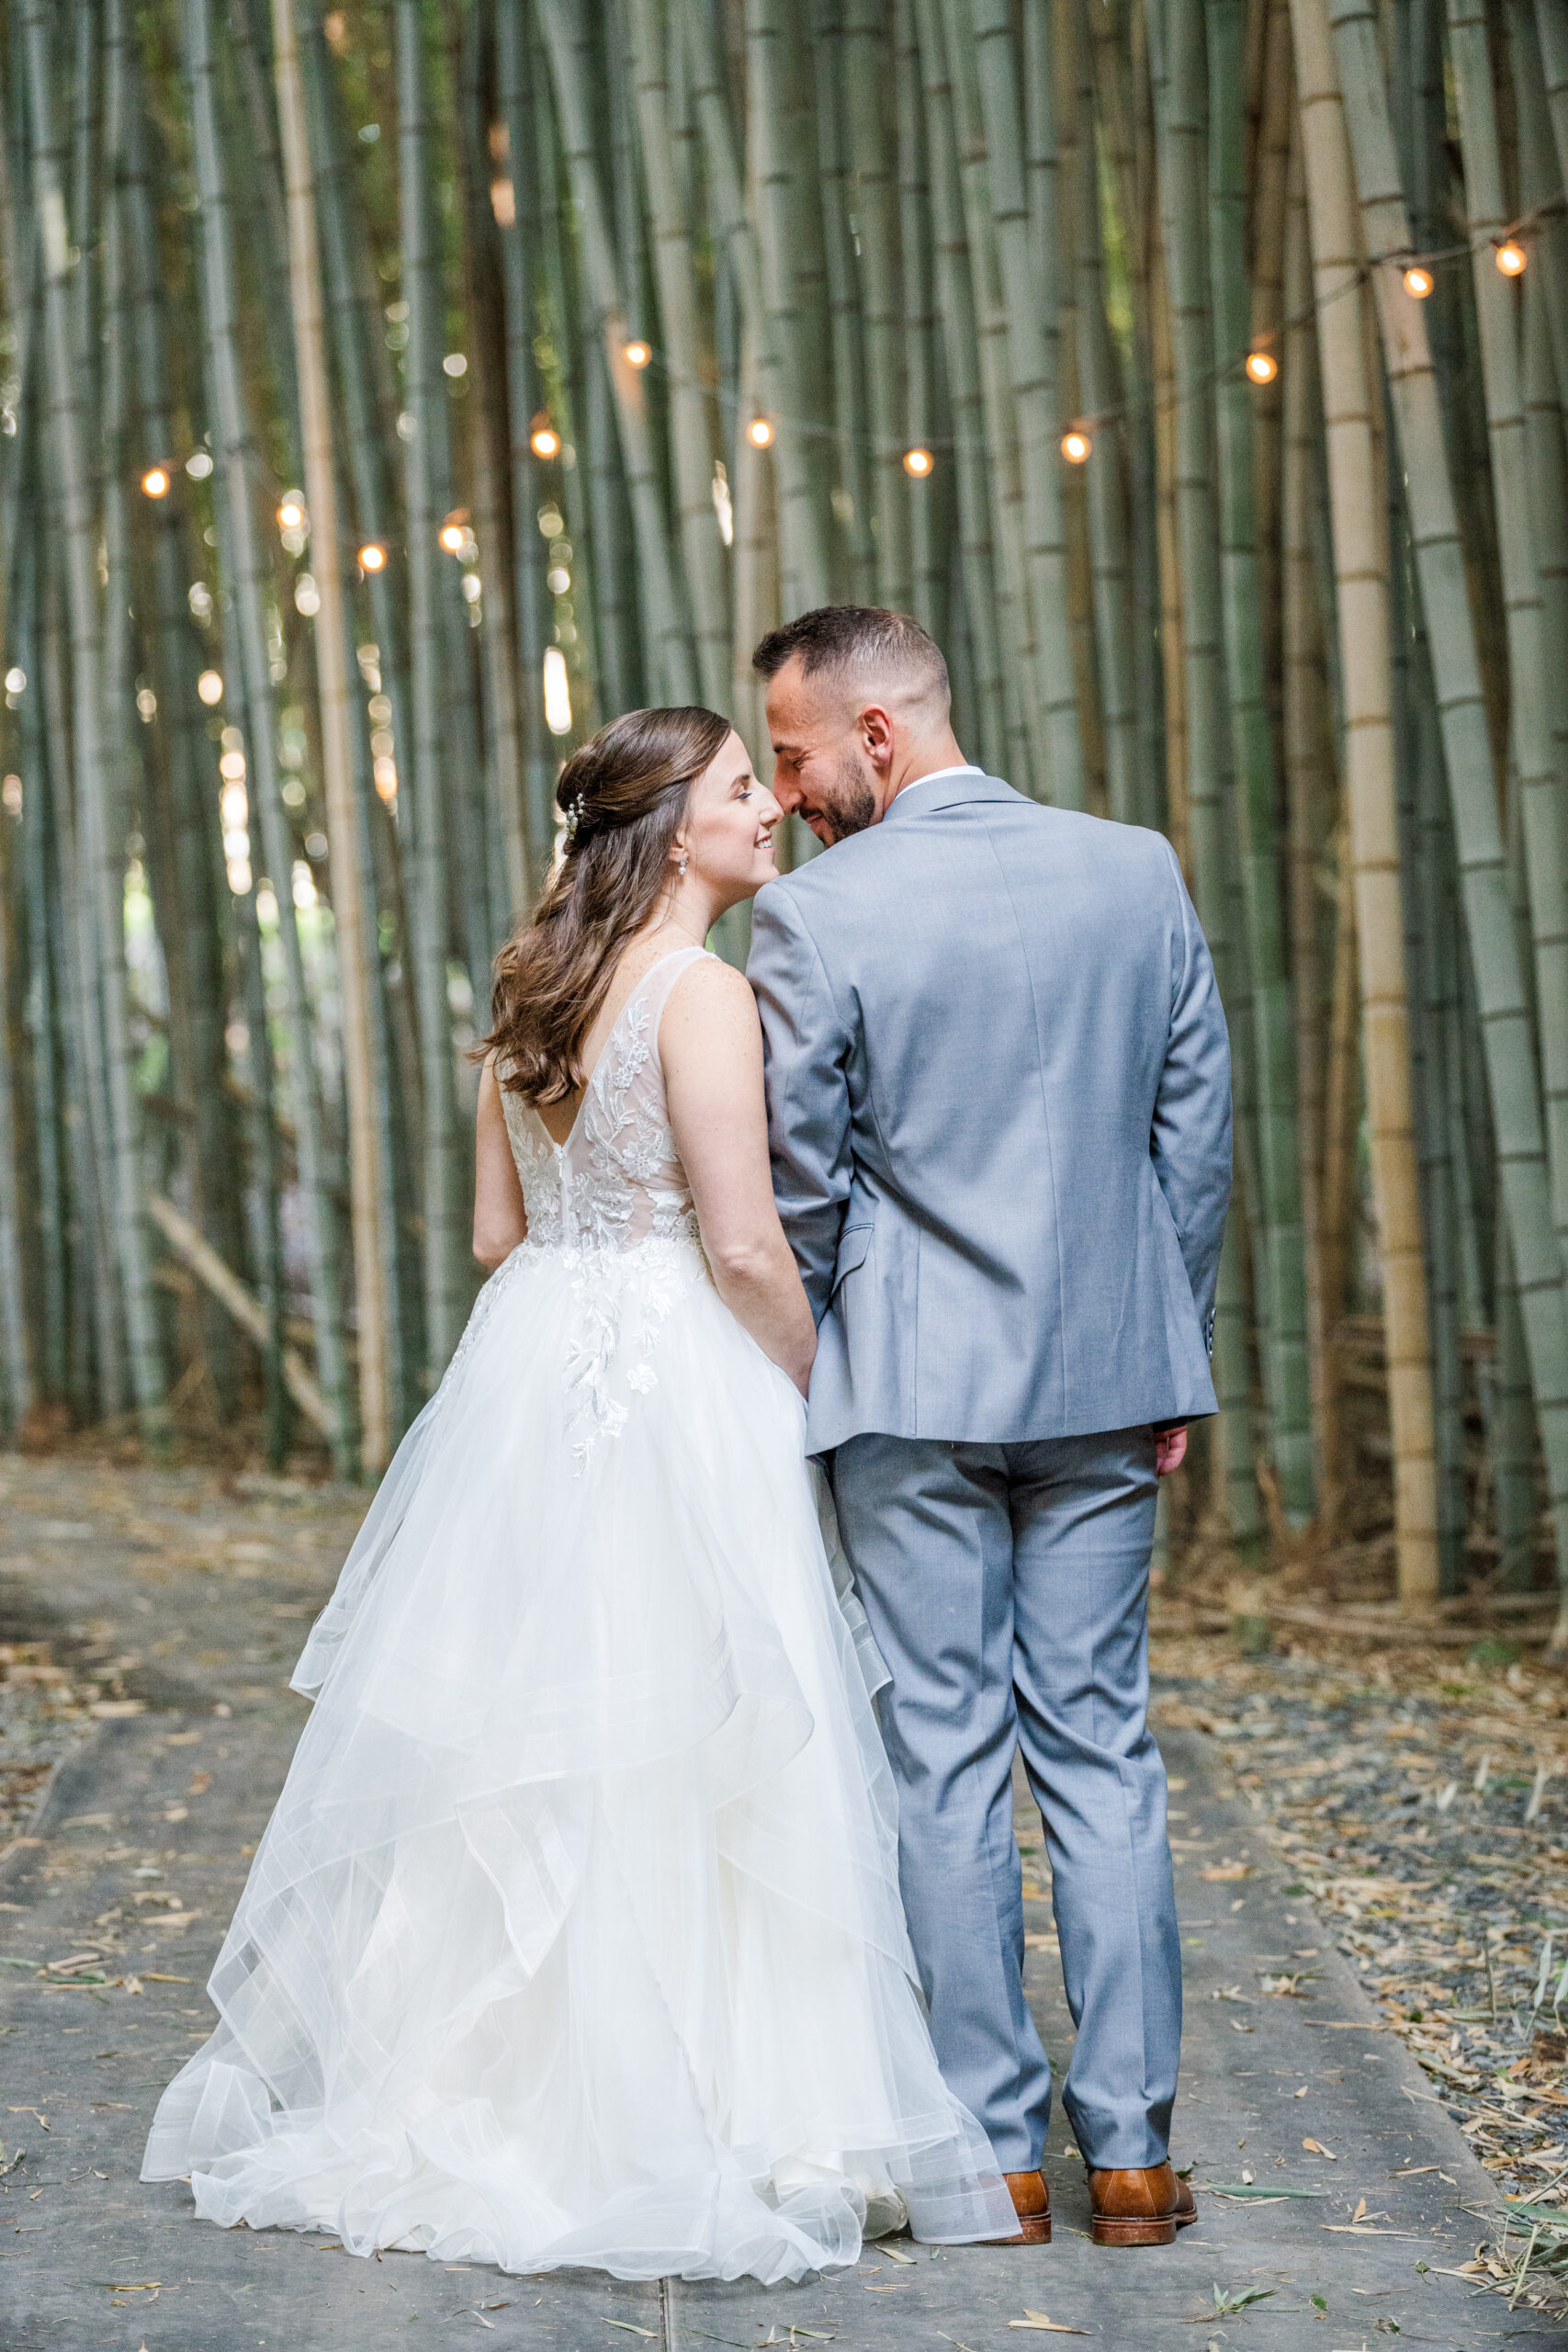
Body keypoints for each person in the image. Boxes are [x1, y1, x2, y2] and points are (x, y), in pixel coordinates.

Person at [142, 705, 1016, 2283]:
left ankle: (494, 2089)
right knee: (706, 1729)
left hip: (534, 1364)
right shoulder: (702, 996)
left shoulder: (532, 983)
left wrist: (591, 1279)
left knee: (539, 1733)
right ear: (678, 829)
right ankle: (736, 2117)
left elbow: (495, 1233)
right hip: (680, 1366)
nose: (773, 808)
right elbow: (747, 1248)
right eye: (749, 789)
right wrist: (830, 1388)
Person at [746, 607, 1232, 2250]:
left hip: (911, 1390)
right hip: (1107, 1378)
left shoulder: (817, 919)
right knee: (1101, 1746)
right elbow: (1193, 1134)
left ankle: (994, 2162)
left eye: (799, 755)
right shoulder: (1135, 870)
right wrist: (1173, 1346)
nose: (792, 792)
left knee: (943, 1756)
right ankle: (1140, 2160)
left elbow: (801, 1179)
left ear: (875, 736)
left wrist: (806, 1376)